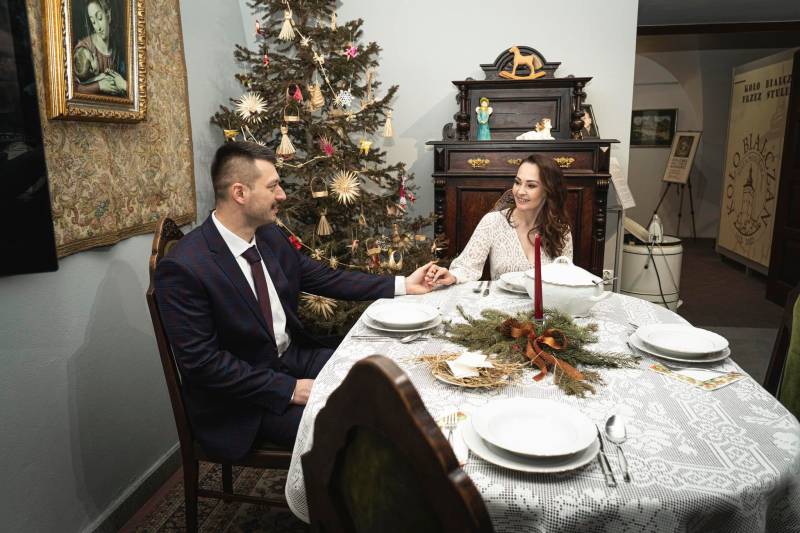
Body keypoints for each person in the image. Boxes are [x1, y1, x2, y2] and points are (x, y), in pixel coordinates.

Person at [154, 142, 435, 461]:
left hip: (293, 359)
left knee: (389, 373)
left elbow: (325, 278)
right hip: (244, 402)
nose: (282, 195)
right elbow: (204, 365)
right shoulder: (185, 267)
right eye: (273, 186)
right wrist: (290, 389)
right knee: (355, 428)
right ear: (239, 193)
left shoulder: (268, 236)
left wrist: (403, 284)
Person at [427, 154, 573, 285]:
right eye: (517, 182)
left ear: (548, 190)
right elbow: (466, 267)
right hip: (499, 305)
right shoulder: (493, 222)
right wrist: (452, 276)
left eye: (531, 185)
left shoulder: (561, 229)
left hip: (546, 305)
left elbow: (566, 278)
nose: (520, 191)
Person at [73, 0, 127, 96]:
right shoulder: (83, 49)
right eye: (93, 22)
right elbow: (72, 87)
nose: (98, 28)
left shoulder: (116, 47)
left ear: (108, 15)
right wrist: (99, 86)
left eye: (100, 18)